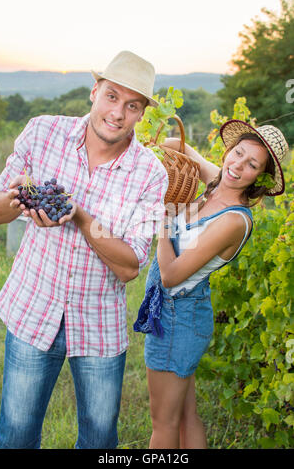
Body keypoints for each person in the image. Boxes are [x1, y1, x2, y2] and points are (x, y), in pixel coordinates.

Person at [0, 50, 168, 449]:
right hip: (32, 309)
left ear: (141, 113)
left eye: (132, 105)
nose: (118, 113)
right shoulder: (42, 132)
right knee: (15, 435)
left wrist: (81, 218)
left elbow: (129, 267)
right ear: (94, 92)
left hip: (99, 324)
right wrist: (21, 198)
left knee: (99, 440)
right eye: (111, 96)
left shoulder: (150, 174)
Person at [134, 119, 289, 449]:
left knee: (162, 422)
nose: (237, 165)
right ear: (229, 150)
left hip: (180, 318)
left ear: (259, 178)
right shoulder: (214, 182)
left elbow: (171, 275)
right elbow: (178, 144)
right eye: (238, 153)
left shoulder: (233, 219)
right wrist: (152, 146)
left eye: (251, 165)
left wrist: (162, 220)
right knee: (185, 416)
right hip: (179, 313)